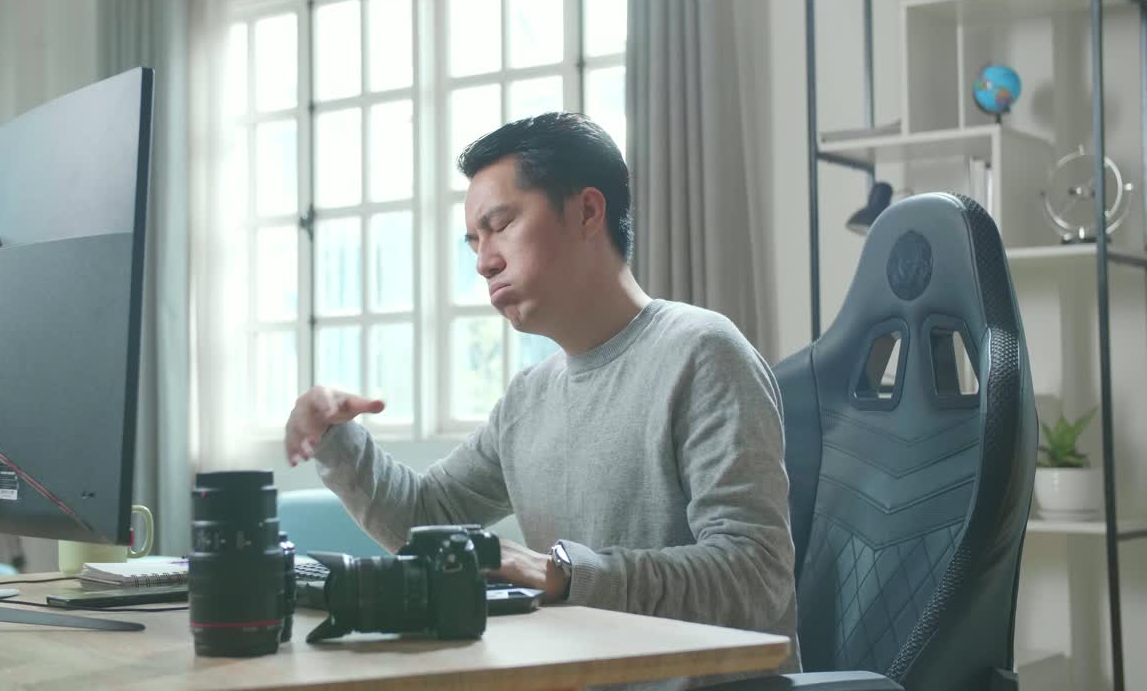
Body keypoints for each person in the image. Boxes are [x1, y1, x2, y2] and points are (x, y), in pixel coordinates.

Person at [284, 112, 800, 684]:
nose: (484, 261)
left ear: (587, 212)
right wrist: (335, 438)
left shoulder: (702, 352)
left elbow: (756, 576)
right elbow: (429, 518)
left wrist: (566, 574)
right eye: (474, 241)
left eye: (501, 225)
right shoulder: (528, 398)